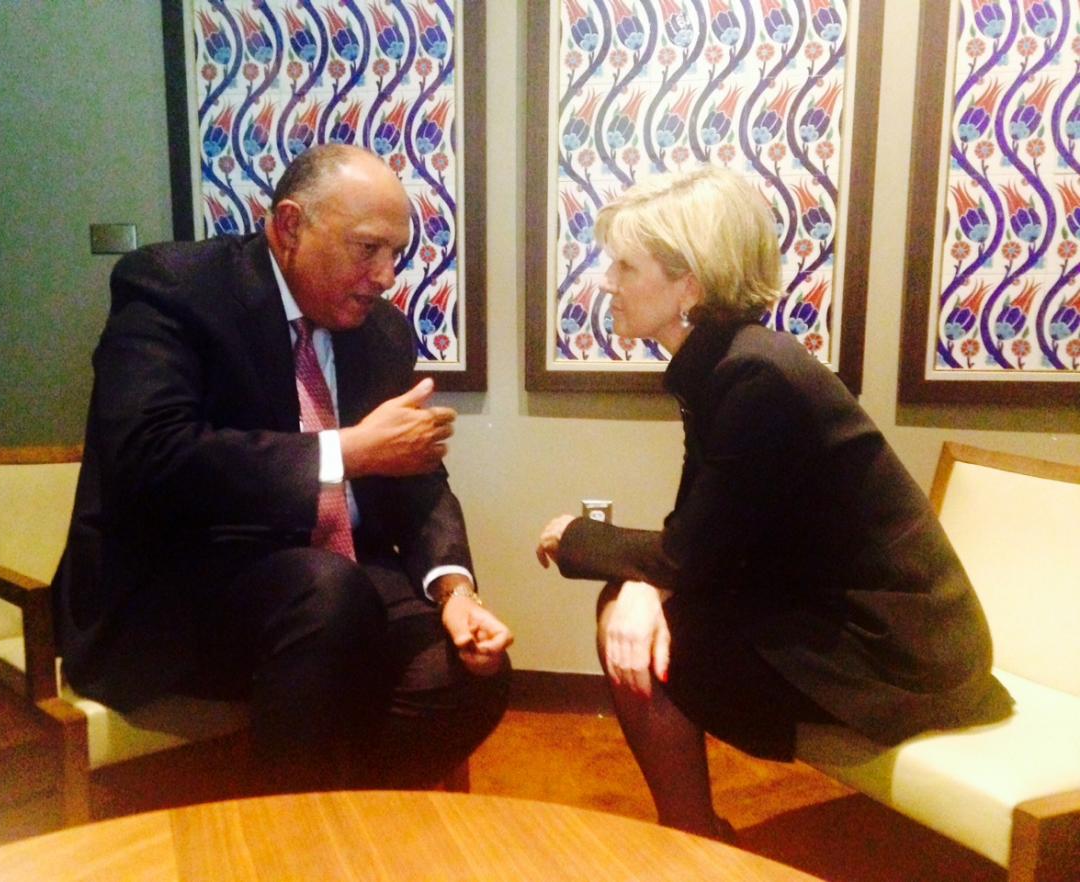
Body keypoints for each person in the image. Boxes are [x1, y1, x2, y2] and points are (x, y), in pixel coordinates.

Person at [535, 166, 1011, 840]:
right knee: (632, 603)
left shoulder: (752, 376)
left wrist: (572, 534)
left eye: (624, 265)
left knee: (642, 622)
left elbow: (689, 554)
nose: (606, 282)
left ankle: (691, 837)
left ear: (689, 285)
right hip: (863, 622)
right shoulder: (732, 363)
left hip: (903, 655)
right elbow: (701, 542)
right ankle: (692, 831)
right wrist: (652, 580)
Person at [54, 144, 512, 790]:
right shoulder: (175, 289)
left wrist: (454, 589)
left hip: (329, 579)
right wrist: (347, 451)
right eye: (368, 249)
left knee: (471, 669)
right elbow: (150, 455)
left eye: (396, 254)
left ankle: (335, 819)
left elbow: (416, 474)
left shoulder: (381, 332)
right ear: (292, 226)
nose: (387, 275)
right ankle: (289, 843)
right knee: (327, 594)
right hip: (178, 588)